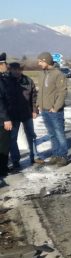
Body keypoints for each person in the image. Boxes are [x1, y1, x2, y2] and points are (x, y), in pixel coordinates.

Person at [35, 52, 68, 166]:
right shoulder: (41, 74)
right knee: (52, 134)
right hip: (44, 109)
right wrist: (38, 104)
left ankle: (63, 156)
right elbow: (40, 91)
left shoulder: (58, 74)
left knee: (59, 134)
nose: (38, 63)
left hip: (55, 111)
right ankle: (55, 155)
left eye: (40, 61)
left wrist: (56, 107)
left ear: (46, 61)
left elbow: (62, 92)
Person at [7, 62, 38, 169]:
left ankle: (35, 156)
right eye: (14, 69)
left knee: (31, 135)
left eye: (19, 69)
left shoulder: (28, 80)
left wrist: (34, 110)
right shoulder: (6, 81)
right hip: (13, 115)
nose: (16, 71)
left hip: (27, 113)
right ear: (10, 69)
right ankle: (15, 160)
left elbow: (34, 97)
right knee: (12, 138)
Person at [0, 52, 12, 184]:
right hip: (2, 119)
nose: (7, 66)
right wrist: (6, 119)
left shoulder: (2, 78)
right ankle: (2, 169)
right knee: (3, 144)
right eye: (5, 64)